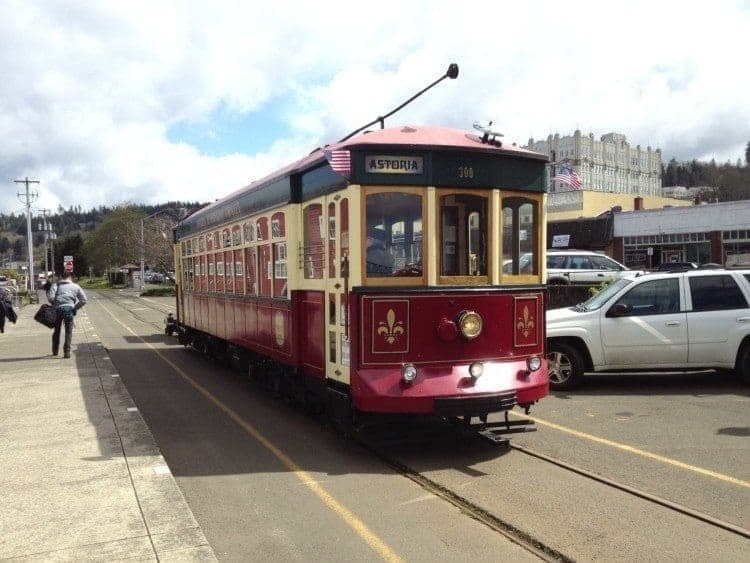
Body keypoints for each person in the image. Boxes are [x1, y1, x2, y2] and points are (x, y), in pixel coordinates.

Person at [46, 271, 87, 358]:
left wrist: (56, 301)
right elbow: (83, 300)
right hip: (69, 310)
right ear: (70, 277)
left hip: (57, 310)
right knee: (69, 331)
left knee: (56, 331)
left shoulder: (55, 286)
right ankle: (67, 352)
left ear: (61, 277)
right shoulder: (76, 286)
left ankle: (55, 351)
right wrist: (75, 308)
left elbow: (50, 298)